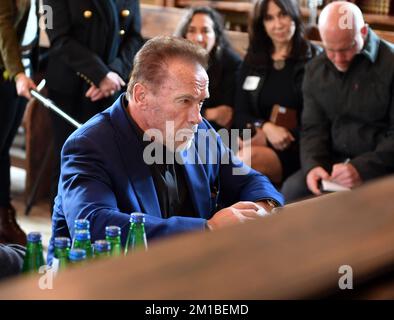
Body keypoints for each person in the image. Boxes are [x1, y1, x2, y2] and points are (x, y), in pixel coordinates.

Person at [47, 36, 284, 262]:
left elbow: (248, 179)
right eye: (185, 101)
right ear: (141, 96)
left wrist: (263, 208)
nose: (197, 117)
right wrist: (207, 228)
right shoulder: (89, 144)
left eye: (200, 102)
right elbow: (94, 224)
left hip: (187, 273)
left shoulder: (199, 131)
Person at [281, 1, 394, 202]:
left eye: (346, 48)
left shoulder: (390, 65)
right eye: (330, 50)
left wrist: (361, 169)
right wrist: (313, 166)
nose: (338, 59)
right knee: (290, 193)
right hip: (333, 165)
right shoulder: (316, 69)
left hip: (382, 168)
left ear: (364, 32)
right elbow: (313, 128)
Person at [43, 0, 143, 211]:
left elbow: (134, 37)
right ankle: (65, 232)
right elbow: (58, 37)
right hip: (69, 89)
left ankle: (102, 225)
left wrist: (114, 73)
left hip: (112, 88)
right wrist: (100, 75)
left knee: (109, 163)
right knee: (69, 163)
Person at [234, 0, 321, 186]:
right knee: (214, 152)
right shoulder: (253, 60)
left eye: (283, 14)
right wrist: (264, 127)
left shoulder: (314, 60)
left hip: (296, 148)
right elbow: (239, 113)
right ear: (262, 24)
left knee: (242, 162)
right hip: (255, 138)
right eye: (269, 18)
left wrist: (280, 136)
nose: (278, 24)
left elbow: (318, 121)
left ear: (294, 15)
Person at [0, 0, 38, 245]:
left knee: (3, 151)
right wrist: (18, 73)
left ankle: (4, 214)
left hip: (22, 73)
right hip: (8, 73)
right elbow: (3, 26)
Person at [174, 6, 242, 131]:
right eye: (192, 30)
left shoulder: (231, 64)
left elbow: (225, 116)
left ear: (216, 36)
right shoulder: (175, 61)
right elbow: (171, 107)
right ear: (185, 35)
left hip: (212, 133)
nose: (198, 38)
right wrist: (210, 113)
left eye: (205, 31)